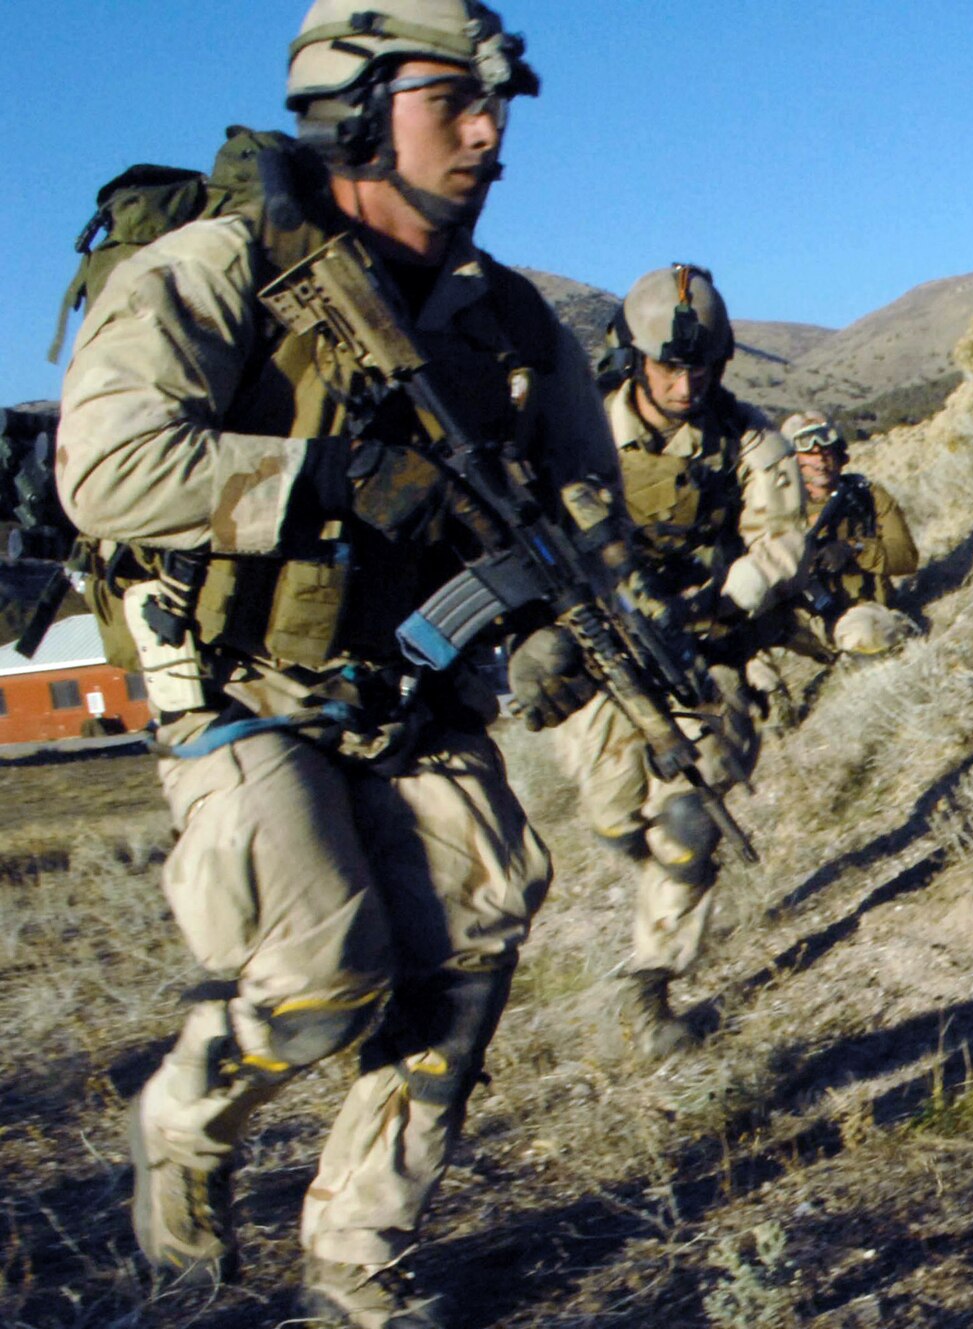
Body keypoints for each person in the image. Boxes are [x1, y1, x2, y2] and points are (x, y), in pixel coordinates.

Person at [55, 2, 616, 1324]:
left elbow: (584, 508)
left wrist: (550, 612)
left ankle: (359, 1252)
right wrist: (336, 480)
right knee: (320, 980)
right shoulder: (218, 267)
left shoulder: (512, 324)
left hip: (410, 687)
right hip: (242, 684)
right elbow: (108, 468)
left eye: (500, 105)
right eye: (450, 100)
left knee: (472, 952)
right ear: (354, 110)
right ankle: (187, 1124)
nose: (488, 132)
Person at [551, 264, 806, 1059]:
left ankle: (650, 984)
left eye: (701, 365)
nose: (686, 380)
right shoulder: (576, 430)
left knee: (691, 817)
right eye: (668, 364)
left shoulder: (750, 439)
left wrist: (717, 605)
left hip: (705, 649)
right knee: (611, 810)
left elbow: (782, 541)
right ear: (634, 358)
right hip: (601, 648)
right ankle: (642, 848)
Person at [778, 410, 921, 659]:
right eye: (809, 453)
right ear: (793, 461)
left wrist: (854, 548)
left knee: (865, 635)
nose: (820, 459)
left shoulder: (868, 496)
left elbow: (907, 557)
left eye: (826, 449)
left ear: (839, 452)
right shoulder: (777, 510)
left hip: (859, 609)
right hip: (799, 622)